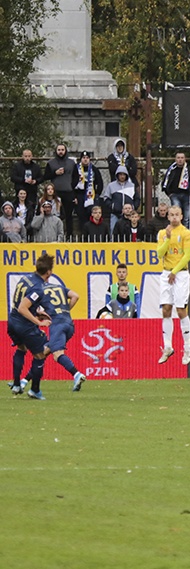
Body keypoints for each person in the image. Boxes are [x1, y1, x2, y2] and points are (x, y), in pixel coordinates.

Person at [7, 254, 54, 399]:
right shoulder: (38, 288)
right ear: (49, 272)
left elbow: (22, 304)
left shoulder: (26, 278)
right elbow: (23, 307)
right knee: (40, 355)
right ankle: (34, 390)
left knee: (21, 349)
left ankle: (16, 384)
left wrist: (37, 312)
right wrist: (38, 322)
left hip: (12, 321)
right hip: (24, 325)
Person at [156, 205, 190, 365]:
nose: (174, 217)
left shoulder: (186, 233)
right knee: (166, 309)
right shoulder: (163, 233)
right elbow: (159, 254)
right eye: (171, 215)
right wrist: (167, 239)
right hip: (166, 273)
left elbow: (187, 256)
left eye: (176, 214)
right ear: (168, 216)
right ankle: (168, 346)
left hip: (181, 274)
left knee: (180, 309)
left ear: (181, 215)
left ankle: (187, 347)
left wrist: (175, 271)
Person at [38, 277, 88, 392]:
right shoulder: (58, 287)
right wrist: (66, 310)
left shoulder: (39, 290)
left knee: (57, 354)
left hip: (57, 325)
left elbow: (35, 310)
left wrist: (41, 315)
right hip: (69, 323)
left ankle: (77, 374)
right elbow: (75, 296)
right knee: (43, 353)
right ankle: (24, 382)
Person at [43, 143, 76, 239]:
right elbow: (46, 176)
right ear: (56, 151)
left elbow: (76, 177)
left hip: (68, 192)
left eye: (62, 149)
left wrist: (71, 186)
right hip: (56, 193)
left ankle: (69, 236)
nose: (61, 152)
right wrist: (55, 173)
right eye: (59, 150)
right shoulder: (51, 163)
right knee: (56, 215)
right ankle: (55, 236)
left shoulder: (71, 163)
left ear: (65, 151)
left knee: (69, 215)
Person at [99, 165, 140, 231]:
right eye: (120, 174)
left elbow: (137, 198)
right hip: (115, 214)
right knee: (113, 231)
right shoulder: (111, 186)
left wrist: (133, 207)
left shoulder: (132, 186)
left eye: (124, 174)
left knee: (129, 232)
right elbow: (106, 198)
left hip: (129, 215)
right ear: (117, 175)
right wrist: (113, 206)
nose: (122, 176)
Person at [72, 150, 104, 230]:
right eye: (83, 158)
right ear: (81, 159)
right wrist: (74, 196)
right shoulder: (76, 169)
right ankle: (83, 234)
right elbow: (71, 183)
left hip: (90, 195)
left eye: (87, 158)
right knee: (81, 215)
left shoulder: (94, 169)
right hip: (79, 194)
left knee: (90, 214)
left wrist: (97, 194)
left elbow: (100, 182)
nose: (85, 159)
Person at [161, 152, 190, 219]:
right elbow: (165, 182)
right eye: (178, 158)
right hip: (174, 195)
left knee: (187, 217)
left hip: (187, 195)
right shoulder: (171, 170)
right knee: (176, 214)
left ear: (185, 159)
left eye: (182, 158)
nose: (180, 159)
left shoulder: (189, 170)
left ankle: (186, 229)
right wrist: (169, 193)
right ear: (175, 159)